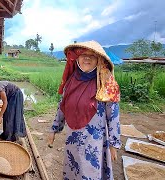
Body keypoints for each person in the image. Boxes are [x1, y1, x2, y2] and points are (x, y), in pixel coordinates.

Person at [48, 41, 121, 179]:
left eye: (92, 56)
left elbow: (113, 115)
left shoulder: (105, 83)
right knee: (73, 168)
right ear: (77, 58)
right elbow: (62, 106)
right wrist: (54, 129)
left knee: (89, 172)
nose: (86, 58)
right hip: (73, 137)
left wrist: (113, 143)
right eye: (83, 55)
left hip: (94, 139)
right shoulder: (71, 80)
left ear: (98, 60)